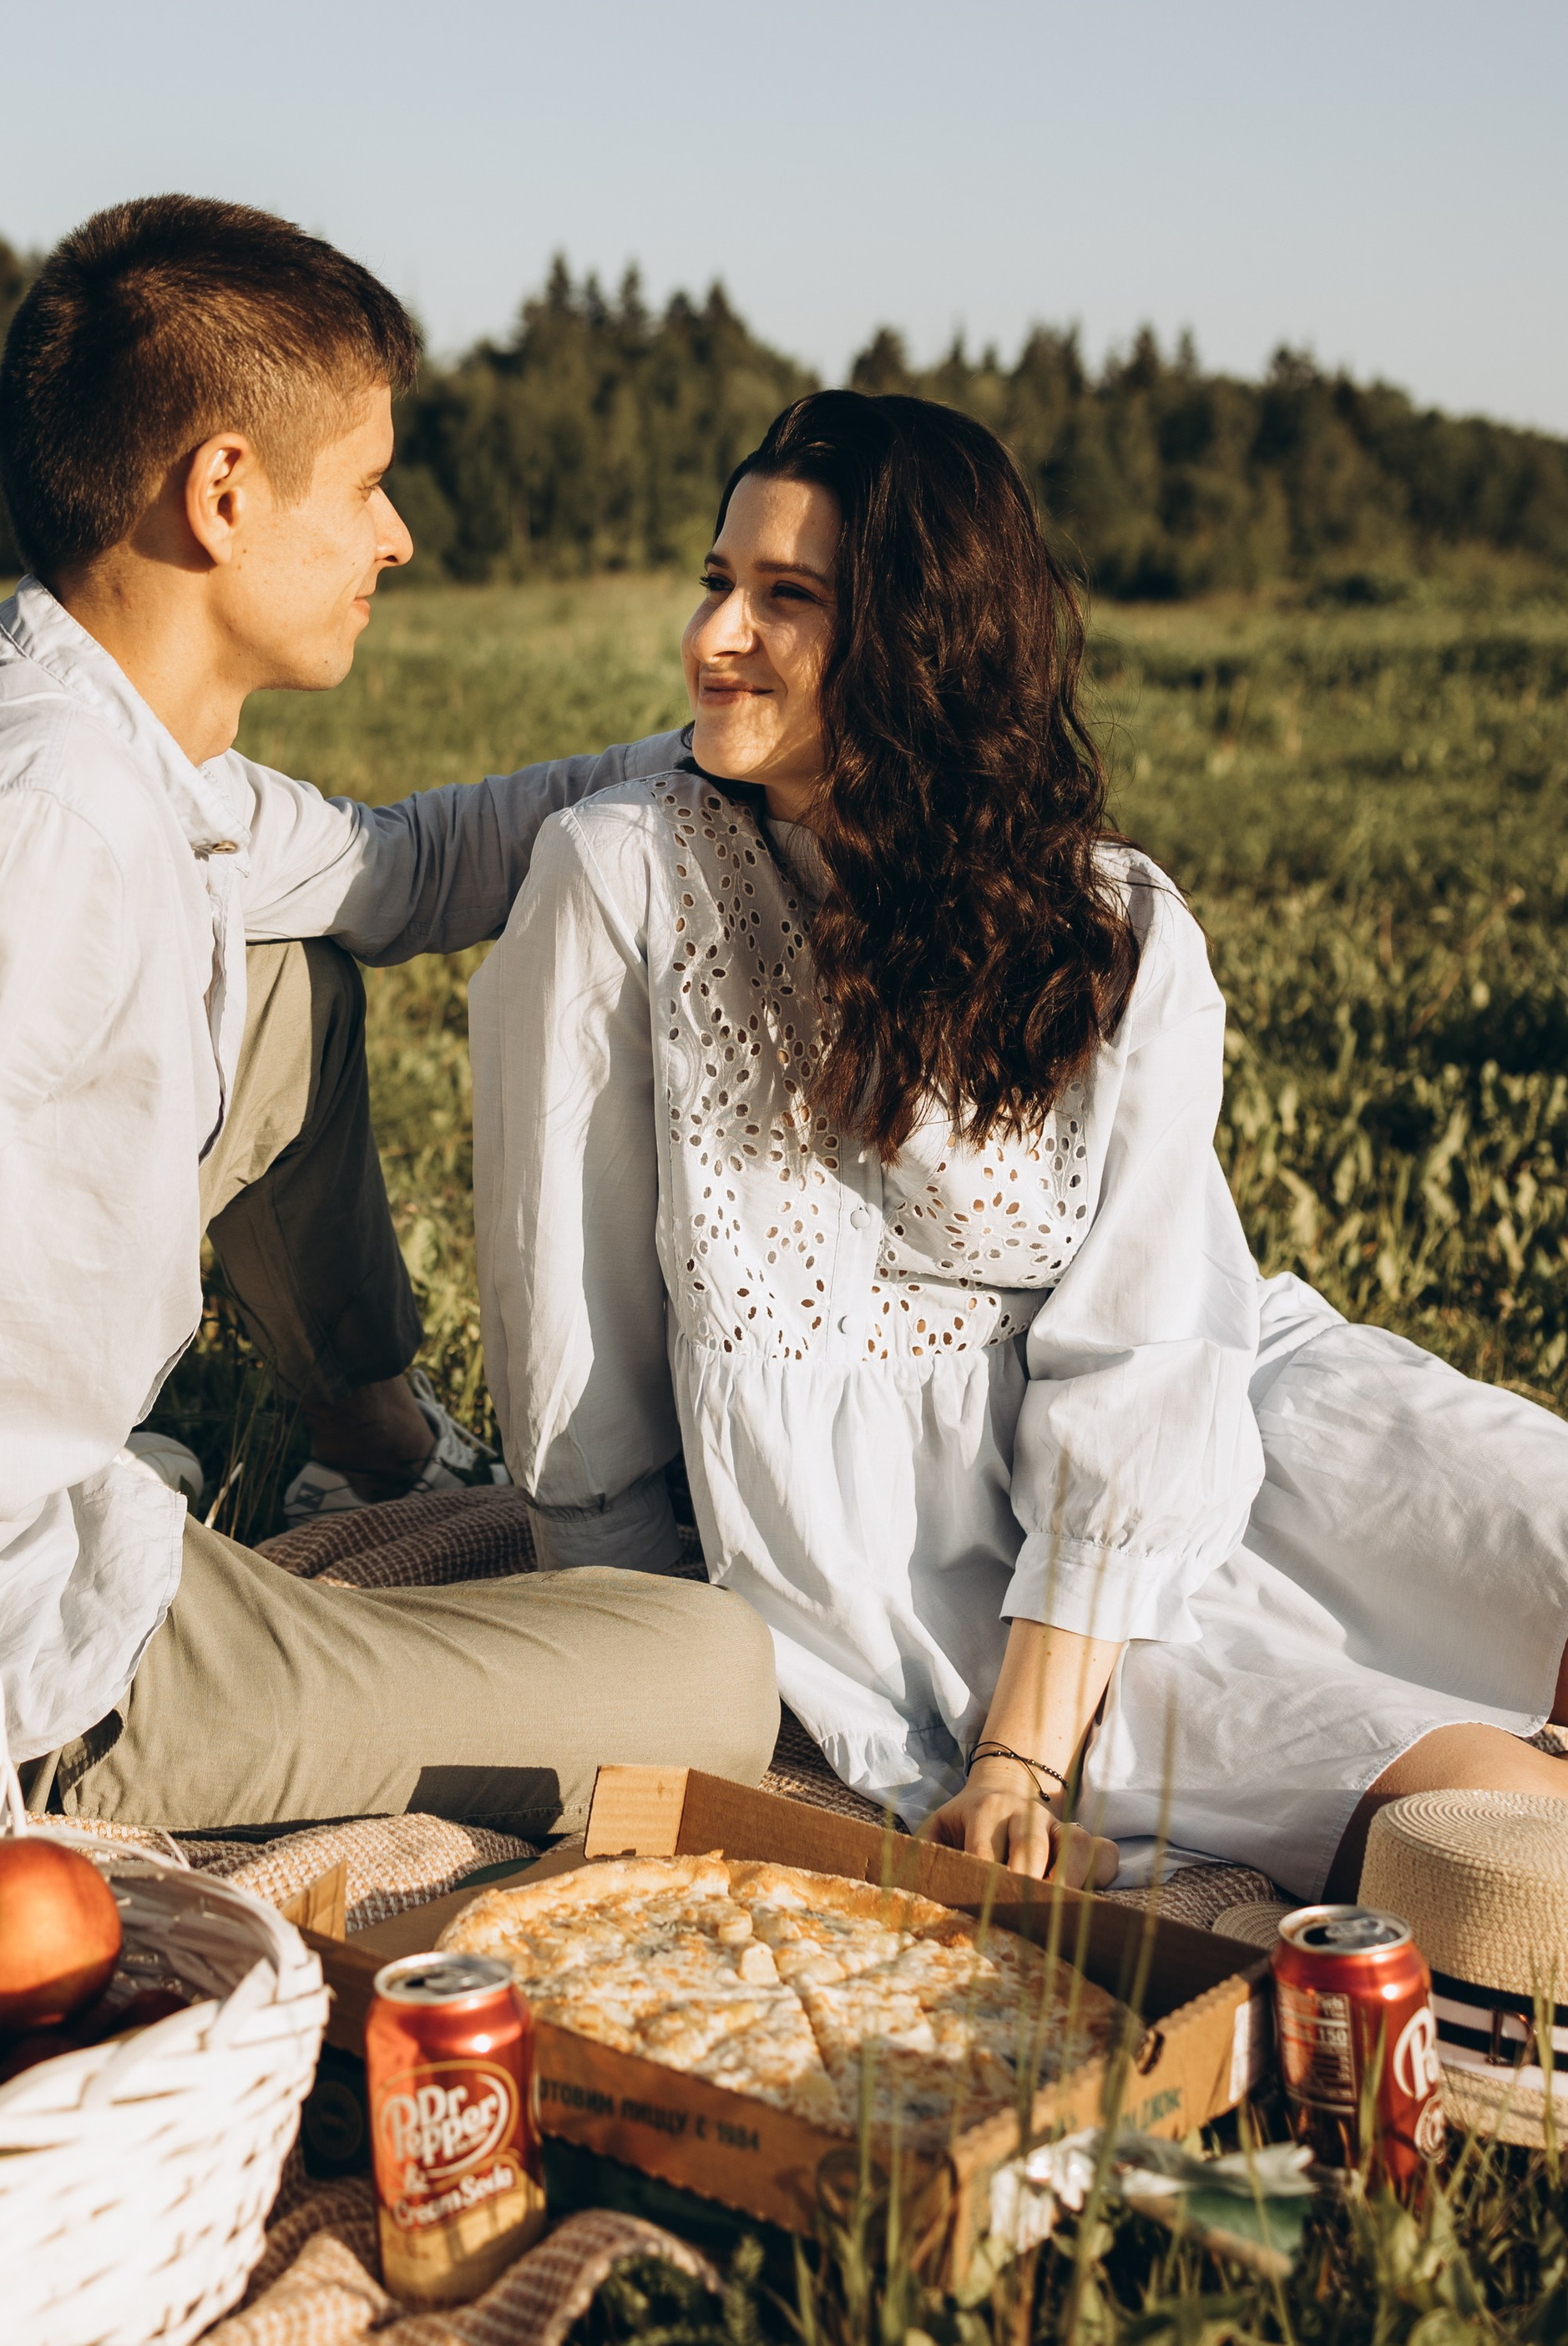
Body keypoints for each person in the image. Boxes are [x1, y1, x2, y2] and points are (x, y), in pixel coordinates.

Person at [0, 196, 777, 1880]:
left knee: (288, 968)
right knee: (720, 1674)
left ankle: (367, 1443)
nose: (393, 539)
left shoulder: (77, 720)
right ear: (223, 493)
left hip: (40, 1523)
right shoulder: (21, 846)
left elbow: (399, 871)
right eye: (365, 489)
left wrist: (726, 746)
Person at [471, 388, 1568, 1899]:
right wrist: (997, 1755)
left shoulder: (1113, 926)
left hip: (1222, 1413)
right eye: (717, 582)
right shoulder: (620, 878)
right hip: (930, 1586)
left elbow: (1149, 1342)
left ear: (924, 645)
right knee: (1505, 1850)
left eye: (788, 599)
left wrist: (1026, 1750)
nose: (715, 637)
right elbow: (568, 1318)